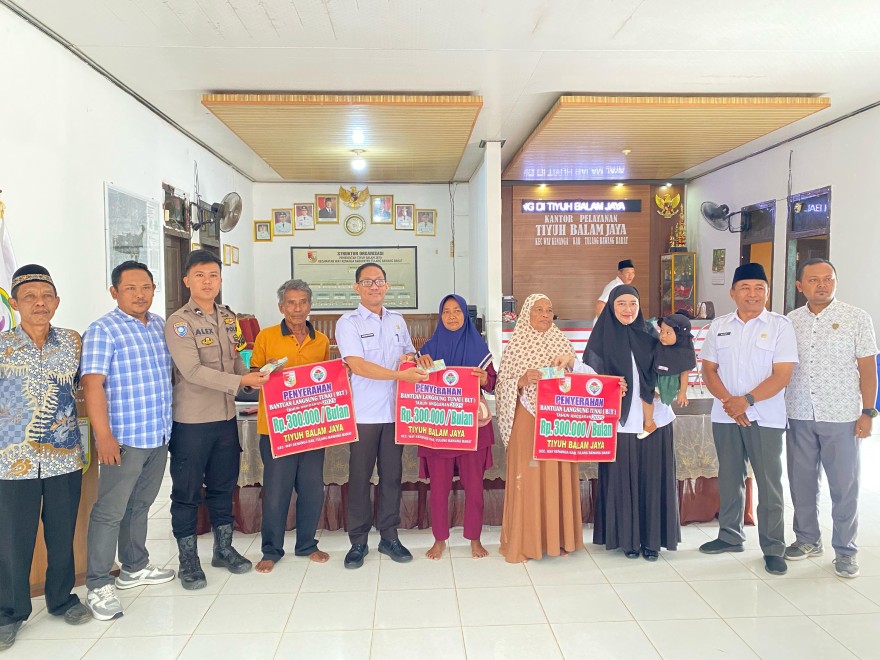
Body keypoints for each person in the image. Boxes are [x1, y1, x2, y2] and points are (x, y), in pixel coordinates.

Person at [164, 249, 270, 589]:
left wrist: (252, 376)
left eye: (213, 275)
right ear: (187, 280)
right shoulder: (179, 323)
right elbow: (192, 371)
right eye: (199, 275)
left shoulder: (228, 317)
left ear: (220, 280)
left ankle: (223, 550)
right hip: (192, 422)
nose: (207, 282)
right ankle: (188, 561)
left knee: (224, 487)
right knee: (186, 493)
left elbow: (237, 357)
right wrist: (240, 381)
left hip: (225, 418)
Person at [0, 265, 91, 650]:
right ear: (15, 303)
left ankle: (62, 599)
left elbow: (87, 386)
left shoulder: (72, 342)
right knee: (12, 540)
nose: (39, 303)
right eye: (30, 297)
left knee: (61, 533)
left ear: (56, 300)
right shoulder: (2, 345)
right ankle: (10, 612)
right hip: (11, 460)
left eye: (46, 296)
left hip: (63, 456)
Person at [81, 261, 175, 621]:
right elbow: (92, 385)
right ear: (114, 292)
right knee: (110, 511)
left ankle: (134, 566)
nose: (140, 294)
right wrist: (103, 436)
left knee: (140, 505)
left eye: (146, 287)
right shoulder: (103, 329)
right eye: (130, 288)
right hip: (124, 438)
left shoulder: (159, 325)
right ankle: (98, 583)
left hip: (158, 433)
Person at [698, 263, 798, 576]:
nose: (752, 294)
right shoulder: (719, 326)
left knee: (769, 483)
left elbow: (782, 374)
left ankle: (773, 547)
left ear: (767, 292)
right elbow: (708, 370)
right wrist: (731, 403)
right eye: (745, 288)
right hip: (726, 415)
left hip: (765, 417)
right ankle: (730, 535)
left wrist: (747, 402)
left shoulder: (780, 326)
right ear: (733, 293)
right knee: (729, 477)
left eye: (759, 288)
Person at [784, 258, 877, 578]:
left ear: (836, 282)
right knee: (801, 482)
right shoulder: (790, 321)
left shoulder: (856, 318)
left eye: (828, 279)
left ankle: (846, 550)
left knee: (844, 486)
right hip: (798, 413)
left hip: (842, 415)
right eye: (813, 280)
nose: (821, 285)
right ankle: (807, 539)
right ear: (800, 286)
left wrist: (868, 411)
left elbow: (868, 369)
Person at [335, 262, 429, 569]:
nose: (374, 286)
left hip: (394, 412)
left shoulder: (397, 320)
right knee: (359, 478)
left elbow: (408, 354)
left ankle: (389, 536)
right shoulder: (348, 323)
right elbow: (358, 365)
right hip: (363, 412)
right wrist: (399, 375)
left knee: (392, 477)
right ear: (357, 287)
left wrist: (410, 358)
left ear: (387, 286)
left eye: (379, 281)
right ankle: (358, 541)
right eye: (367, 282)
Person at [575, 285, 680, 560]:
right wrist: (607, 382)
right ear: (611, 306)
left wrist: (663, 386)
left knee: (652, 478)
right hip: (619, 422)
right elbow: (589, 378)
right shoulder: (600, 339)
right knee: (621, 479)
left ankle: (652, 541)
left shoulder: (652, 336)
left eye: (633, 303)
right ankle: (627, 540)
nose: (628, 309)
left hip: (654, 420)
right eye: (621, 303)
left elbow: (672, 368)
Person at [496, 293, 586, 563]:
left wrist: (569, 365)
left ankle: (559, 539)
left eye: (549, 310)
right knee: (529, 476)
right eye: (539, 310)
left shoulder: (561, 342)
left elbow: (581, 379)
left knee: (558, 474)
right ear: (527, 313)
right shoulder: (516, 345)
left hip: (557, 422)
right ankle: (525, 542)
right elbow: (501, 385)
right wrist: (521, 380)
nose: (545, 315)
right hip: (527, 419)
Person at [250, 279, 331, 574]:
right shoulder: (266, 336)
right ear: (281, 307)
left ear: (310, 306)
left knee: (312, 490)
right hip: (276, 428)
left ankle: (307, 544)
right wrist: (268, 370)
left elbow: (326, 380)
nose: (297, 308)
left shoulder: (321, 340)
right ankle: (271, 550)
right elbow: (252, 376)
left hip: (311, 427)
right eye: (291, 303)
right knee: (276, 492)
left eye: (303, 302)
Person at [415, 294, 495, 560]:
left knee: (474, 487)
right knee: (439, 489)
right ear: (440, 316)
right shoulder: (428, 349)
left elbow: (493, 383)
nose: (451, 316)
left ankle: (475, 538)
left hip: (471, 427)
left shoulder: (479, 348)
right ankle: (439, 539)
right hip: (439, 428)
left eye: (457, 311)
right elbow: (413, 381)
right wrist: (417, 364)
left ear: (465, 315)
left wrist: (484, 380)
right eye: (446, 311)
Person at [641, 314, 696, 438]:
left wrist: (682, 392)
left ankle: (649, 423)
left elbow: (684, 373)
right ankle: (649, 422)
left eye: (668, 333)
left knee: (650, 397)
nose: (662, 336)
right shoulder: (659, 346)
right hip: (656, 380)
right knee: (647, 396)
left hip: (669, 383)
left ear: (680, 336)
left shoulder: (683, 352)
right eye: (661, 331)